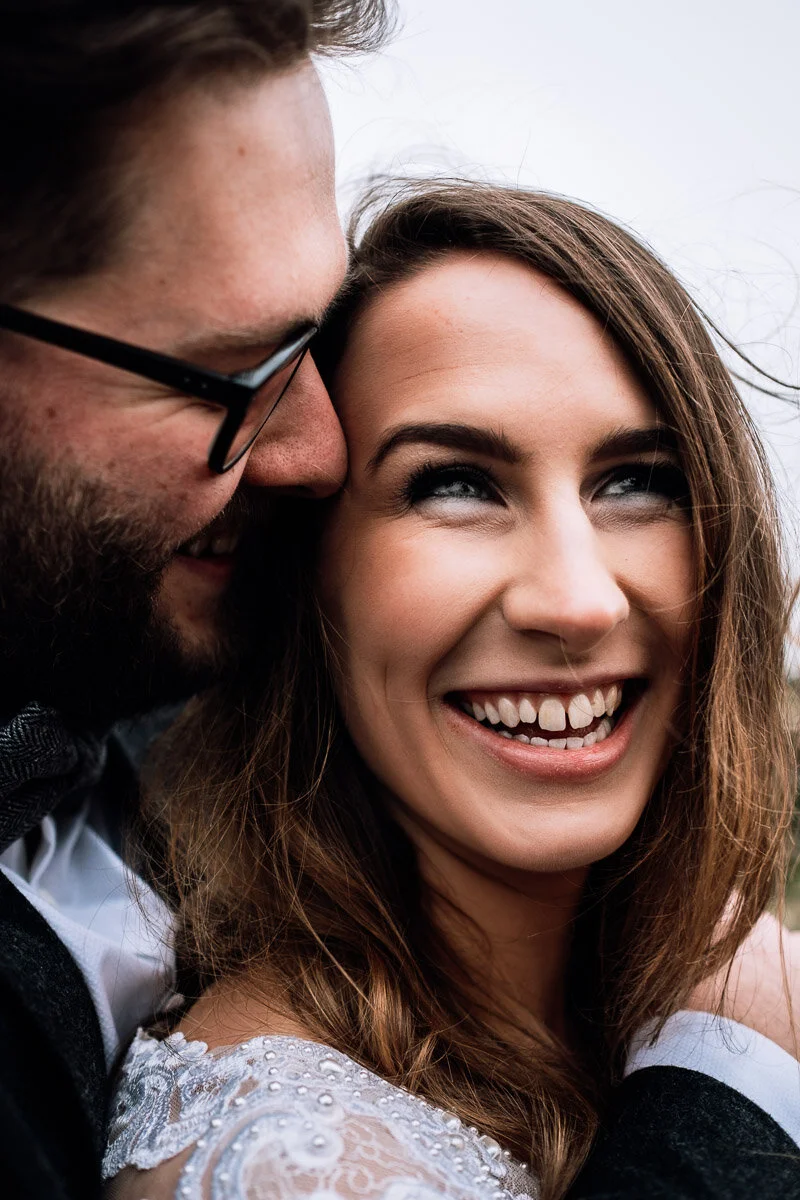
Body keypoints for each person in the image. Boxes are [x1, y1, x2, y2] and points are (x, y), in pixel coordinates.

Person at [102, 181, 800, 1199]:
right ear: (306, 576)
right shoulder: (285, 1158)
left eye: (636, 480)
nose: (577, 601)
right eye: (455, 484)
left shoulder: (690, 989)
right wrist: (734, 1076)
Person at [0, 3, 391, 1198]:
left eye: (316, 340)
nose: (320, 453)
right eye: (231, 376)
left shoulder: (213, 693)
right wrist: (722, 1088)